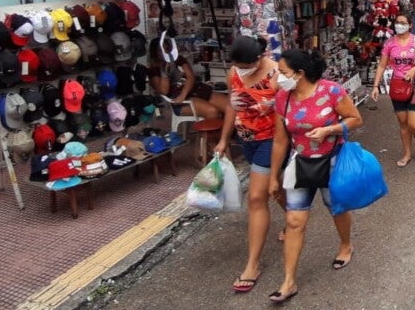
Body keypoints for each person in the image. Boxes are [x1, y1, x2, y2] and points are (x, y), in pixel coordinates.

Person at [267, 49, 364, 303]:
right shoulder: (282, 98)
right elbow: (280, 140)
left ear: (299, 74)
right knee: (294, 220)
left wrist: (328, 130)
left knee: (337, 208)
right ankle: (288, 281)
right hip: (299, 164)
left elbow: (355, 119)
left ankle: (345, 244)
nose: (278, 77)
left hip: (331, 161)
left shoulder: (331, 91)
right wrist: (274, 176)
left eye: (283, 72)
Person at [212, 36, 282, 294]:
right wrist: (223, 140)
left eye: (245, 66)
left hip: (271, 140)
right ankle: (294, 216)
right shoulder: (234, 72)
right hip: (246, 139)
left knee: (255, 198)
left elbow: (287, 112)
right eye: (238, 66)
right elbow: (233, 106)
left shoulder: (277, 73)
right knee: (272, 190)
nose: (241, 70)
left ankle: (252, 265)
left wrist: (271, 105)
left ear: (259, 59)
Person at [371, 13, 415, 167]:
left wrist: (414, 70)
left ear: (410, 25)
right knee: (403, 123)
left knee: (414, 124)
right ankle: (407, 153)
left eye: (403, 22)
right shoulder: (389, 43)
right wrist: (375, 86)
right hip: (398, 86)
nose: (400, 25)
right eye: (397, 22)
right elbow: (382, 65)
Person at [147, 35, 228, 121]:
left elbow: (190, 76)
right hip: (177, 101)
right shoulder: (153, 71)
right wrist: (165, 71)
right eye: (161, 50)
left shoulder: (176, 59)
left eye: (167, 49)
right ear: (155, 52)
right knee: (213, 112)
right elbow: (164, 90)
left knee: (229, 107)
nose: (165, 53)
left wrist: (184, 93)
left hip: (193, 90)